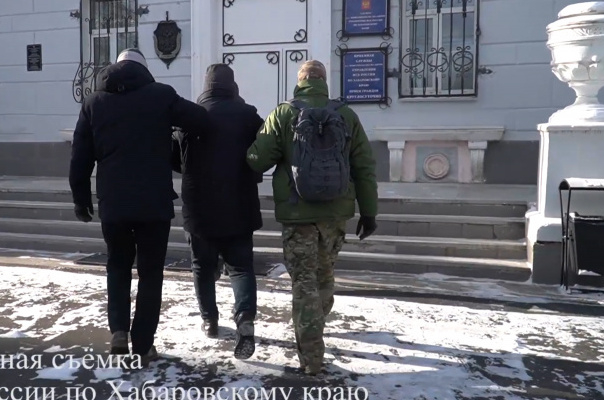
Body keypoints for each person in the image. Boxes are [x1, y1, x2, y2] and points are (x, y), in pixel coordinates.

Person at [69, 48, 211, 364]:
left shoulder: (93, 103)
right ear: (145, 70)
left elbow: (80, 157)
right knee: (150, 273)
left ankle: (119, 332)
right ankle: (144, 345)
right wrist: (172, 135)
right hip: (153, 202)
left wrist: (81, 199)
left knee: (117, 266)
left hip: (113, 202)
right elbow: (201, 120)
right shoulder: (161, 95)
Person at [245, 60, 379, 375]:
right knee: (325, 277)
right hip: (335, 213)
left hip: (297, 214)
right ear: (323, 81)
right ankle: (316, 330)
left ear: (300, 81)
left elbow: (256, 160)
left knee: (304, 283)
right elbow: (364, 166)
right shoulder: (346, 115)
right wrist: (369, 212)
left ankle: (312, 357)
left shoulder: (283, 114)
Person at [171, 64, 264, 360]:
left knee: (201, 265)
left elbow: (176, 159)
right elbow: (264, 152)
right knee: (241, 266)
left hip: (199, 206)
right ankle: (245, 318)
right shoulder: (248, 115)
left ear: (206, 86)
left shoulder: (192, 116)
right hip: (239, 202)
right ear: (232, 85)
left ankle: (209, 320)